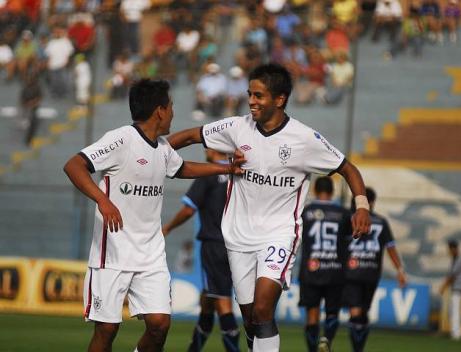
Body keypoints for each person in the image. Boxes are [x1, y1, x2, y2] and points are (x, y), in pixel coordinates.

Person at [167, 63, 371, 352]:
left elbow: (348, 169)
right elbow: (190, 136)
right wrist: (151, 151)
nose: (251, 101)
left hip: (278, 234)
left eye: (259, 96)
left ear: (280, 99)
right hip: (237, 238)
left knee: (263, 310)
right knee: (251, 319)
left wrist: (361, 206)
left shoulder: (304, 139)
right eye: (250, 94)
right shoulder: (237, 127)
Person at [63, 79, 245, 352]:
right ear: (160, 110)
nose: (173, 111)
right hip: (112, 254)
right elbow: (74, 165)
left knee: (159, 324)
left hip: (150, 254)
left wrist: (226, 169)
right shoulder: (121, 139)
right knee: (107, 329)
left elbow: (182, 168)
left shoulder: (162, 148)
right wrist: (102, 200)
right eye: (170, 106)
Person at [163, 149, 240, 352]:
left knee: (222, 302)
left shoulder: (209, 174)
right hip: (238, 246)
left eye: (207, 145)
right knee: (208, 300)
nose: (204, 149)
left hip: (215, 245)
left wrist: (167, 228)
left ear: (216, 149)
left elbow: (189, 208)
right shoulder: (239, 173)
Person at [338, 187, 407, 352]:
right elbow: (391, 247)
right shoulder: (381, 222)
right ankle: (359, 348)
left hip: (352, 272)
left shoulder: (348, 219)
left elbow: (338, 245)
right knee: (362, 311)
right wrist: (400, 271)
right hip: (371, 273)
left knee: (356, 312)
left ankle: (357, 348)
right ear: (373, 202)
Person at [298, 176, 350, 352]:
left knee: (312, 313)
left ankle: (313, 349)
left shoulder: (305, 212)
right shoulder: (343, 214)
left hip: (311, 270)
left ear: (314, 190)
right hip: (335, 270)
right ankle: (326, 339)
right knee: (332, 312)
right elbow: (350, 242)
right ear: (332, 191)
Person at [439, 239, 461, 340]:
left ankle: (456, 333)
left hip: (458, 289)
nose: (449, 251)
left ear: (454, 249)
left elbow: (452, 276)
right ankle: (455, 331)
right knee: (453, 310)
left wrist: (443, 287)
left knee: (455, 311)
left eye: (450, 249)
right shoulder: (455, 259)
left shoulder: (459, 260)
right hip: (456, 288)